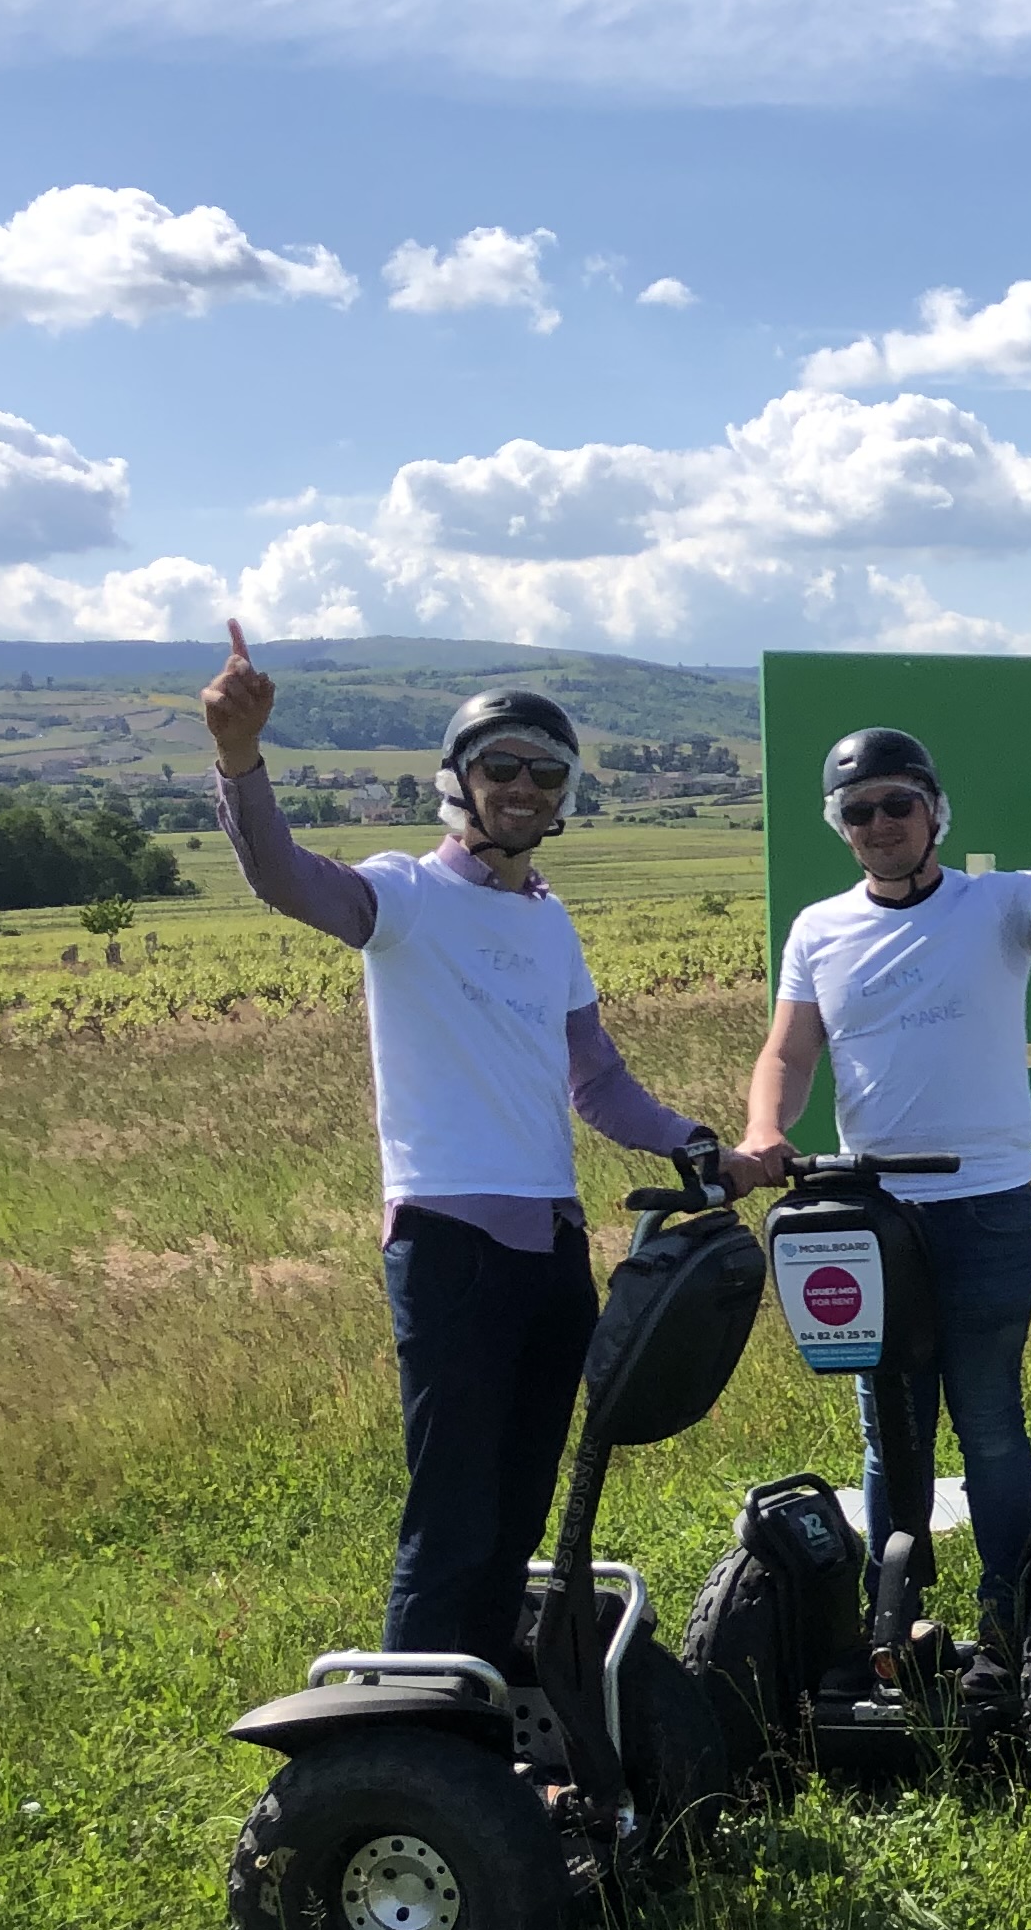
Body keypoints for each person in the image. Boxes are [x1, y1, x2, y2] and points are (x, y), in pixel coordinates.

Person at [199, 622, 777, 1660]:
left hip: (552, 1249)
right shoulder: (406, 899)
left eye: (544, 771)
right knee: (454, 1510)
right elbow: (284, 876)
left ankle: (496, 1715)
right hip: (448, 1239)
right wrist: (239, 758)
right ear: (457, 782)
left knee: (518, 1506)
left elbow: (595, 1082)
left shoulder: (549, 924)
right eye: (499, 765)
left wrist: (701, 1150)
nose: (522, 783)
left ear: (563, 797)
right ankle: (416, 1741)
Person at [735, 694, 1031, 1703]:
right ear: (839, 827)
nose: (880, 825)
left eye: (898, 805)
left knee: (985, 1418)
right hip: (867, 1216)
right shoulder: (819, 930)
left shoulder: (997, 905)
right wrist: (768, 1130)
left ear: (937, 812)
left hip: (981, 1204)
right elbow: (789, 1050)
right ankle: (894, 1620)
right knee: (884, 1423)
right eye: (858, 812)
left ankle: (1003, 1617)